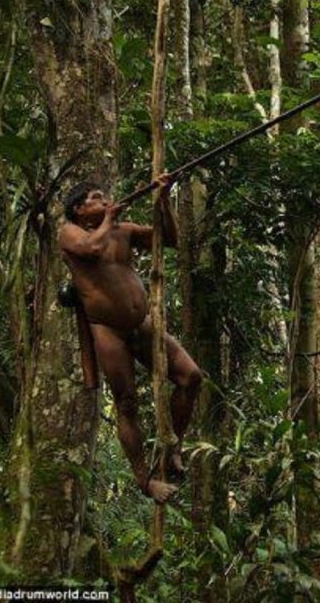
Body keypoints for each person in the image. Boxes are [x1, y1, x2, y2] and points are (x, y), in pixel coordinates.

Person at [59, 175, 201, 503]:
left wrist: (164, 198)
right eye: (97, 197)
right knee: (127, 402)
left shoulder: (124, 231)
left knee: (190, 377)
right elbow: (91, 249)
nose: (106, 199)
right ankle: (144, 480)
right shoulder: (70, 232)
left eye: (106, 196)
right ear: (79, 210)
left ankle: (172, 447)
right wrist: (109, 218)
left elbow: (169, 239)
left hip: (144, 324)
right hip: (107, 330)